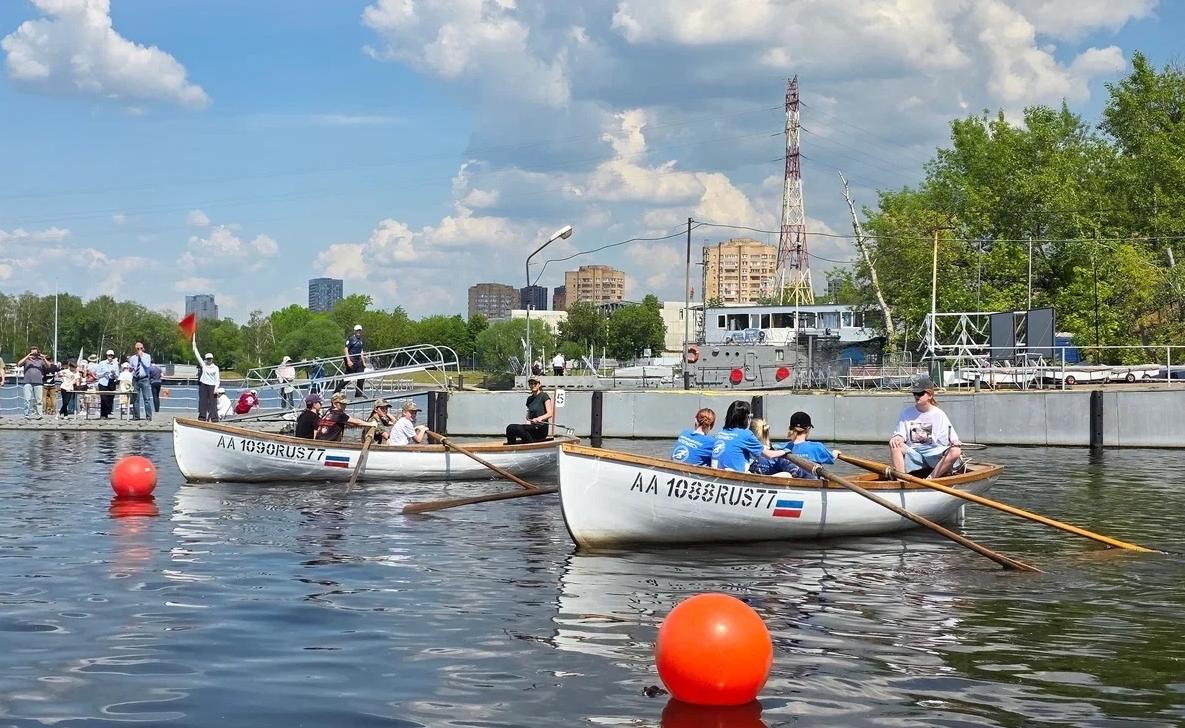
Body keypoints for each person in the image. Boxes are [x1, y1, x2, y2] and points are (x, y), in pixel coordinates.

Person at [890, 374, 964, 478]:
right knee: (894, 444)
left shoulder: (939, 414)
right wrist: (897, 438)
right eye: (915, 393)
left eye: (920, 393)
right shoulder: (906, 413)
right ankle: (901, 480)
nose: (916, 396)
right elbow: (900, 434)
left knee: (956, 451)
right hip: (914, 454)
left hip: (933, 454)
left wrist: (954, 441)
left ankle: (931, 479)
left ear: (930, 395)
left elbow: (952, 438)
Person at [710, 400, 788, 473]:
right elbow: (769, 455)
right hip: (736, 477)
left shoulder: (721, 432)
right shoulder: (746, 434)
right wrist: (786, 450)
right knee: (786, 475)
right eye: (749, 416)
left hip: (718, 473)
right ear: (745, 418)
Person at [775, 411, 839, 478]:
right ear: (808, 429)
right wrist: (835, 453)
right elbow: (831, 457)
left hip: (789, 482)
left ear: (791, 428)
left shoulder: (779, 448)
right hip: (813, 485)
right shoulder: (817, 447)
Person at [505, 377, 553, 444]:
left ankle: (530, 445)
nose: (533, 385)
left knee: (519, 429)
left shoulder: (544, 396)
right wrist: (528, 420)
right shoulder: (529, 399)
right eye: (531, 384)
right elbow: (529, 414)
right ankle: (511, 448)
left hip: (540, 428)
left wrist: (540, 418)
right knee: (510, 428)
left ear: (539, 385)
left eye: (535, 383)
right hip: (532, 427)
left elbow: (550, 413)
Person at [334, 324, 368, 398]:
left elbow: (361, 351)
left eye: (359, 331)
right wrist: (348, 360)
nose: (358, 332)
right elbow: (346, 349)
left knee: (361, 376)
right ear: (354, 331)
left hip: (358, 360)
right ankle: (337, 391)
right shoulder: (351, 339)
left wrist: (364, 362)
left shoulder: (361, 340)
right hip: (352, 360)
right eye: (357, 331)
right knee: (348, 378)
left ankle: (358, 393)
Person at [193, 336, 220, 422]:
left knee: (213, 402)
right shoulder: (203, 365)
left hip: (212, 386)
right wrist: (194, 346)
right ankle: (202, 417)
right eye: (207, 359)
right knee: (202, 401)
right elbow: (197, 355)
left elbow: (217, 380)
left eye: (210, 359)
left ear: (212, 359)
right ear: (205, 359)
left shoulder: (216, 368)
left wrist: (216, 388)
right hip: (203, 384)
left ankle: (214, 418)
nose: (209, 360)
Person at [17, 346, 49, 418]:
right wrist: (28, 355)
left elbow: (48, 366)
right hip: (27, 382)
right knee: (27, 399)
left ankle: (39, 415)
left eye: (35, 351)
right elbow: (19, 364)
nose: (34, 353)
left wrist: (44, 358)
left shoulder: (40, 360)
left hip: (38, 382)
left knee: (39, 400)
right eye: (32, 351)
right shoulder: (27, 360)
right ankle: (26, 414)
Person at [129, 341, 154, 421]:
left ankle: (148, 416)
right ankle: (136, 416)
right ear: (135, 349)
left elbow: (147, 365)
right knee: (136, 398)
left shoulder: (147, 356)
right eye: (137, 348)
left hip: (144, 379)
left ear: (143, 348)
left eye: (141, 348)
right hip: (135, 379)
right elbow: (131, 367)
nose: (139, 350)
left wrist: (141, 357)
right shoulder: (132, 358)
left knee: (146, 399)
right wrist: (130, 369)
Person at [94, 349, 119, 419]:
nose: (110, 356)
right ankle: (103, 415)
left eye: (111, 355)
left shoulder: (115, 364)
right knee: (103, 399)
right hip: (103, 382)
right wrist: (104, 372)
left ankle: (107, 413)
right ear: (107, 356)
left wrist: (114, 374)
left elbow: (117, 376)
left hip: (111, 382)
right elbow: (97, 374)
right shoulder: (102, 363)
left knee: (110, 399)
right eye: (109, 355)